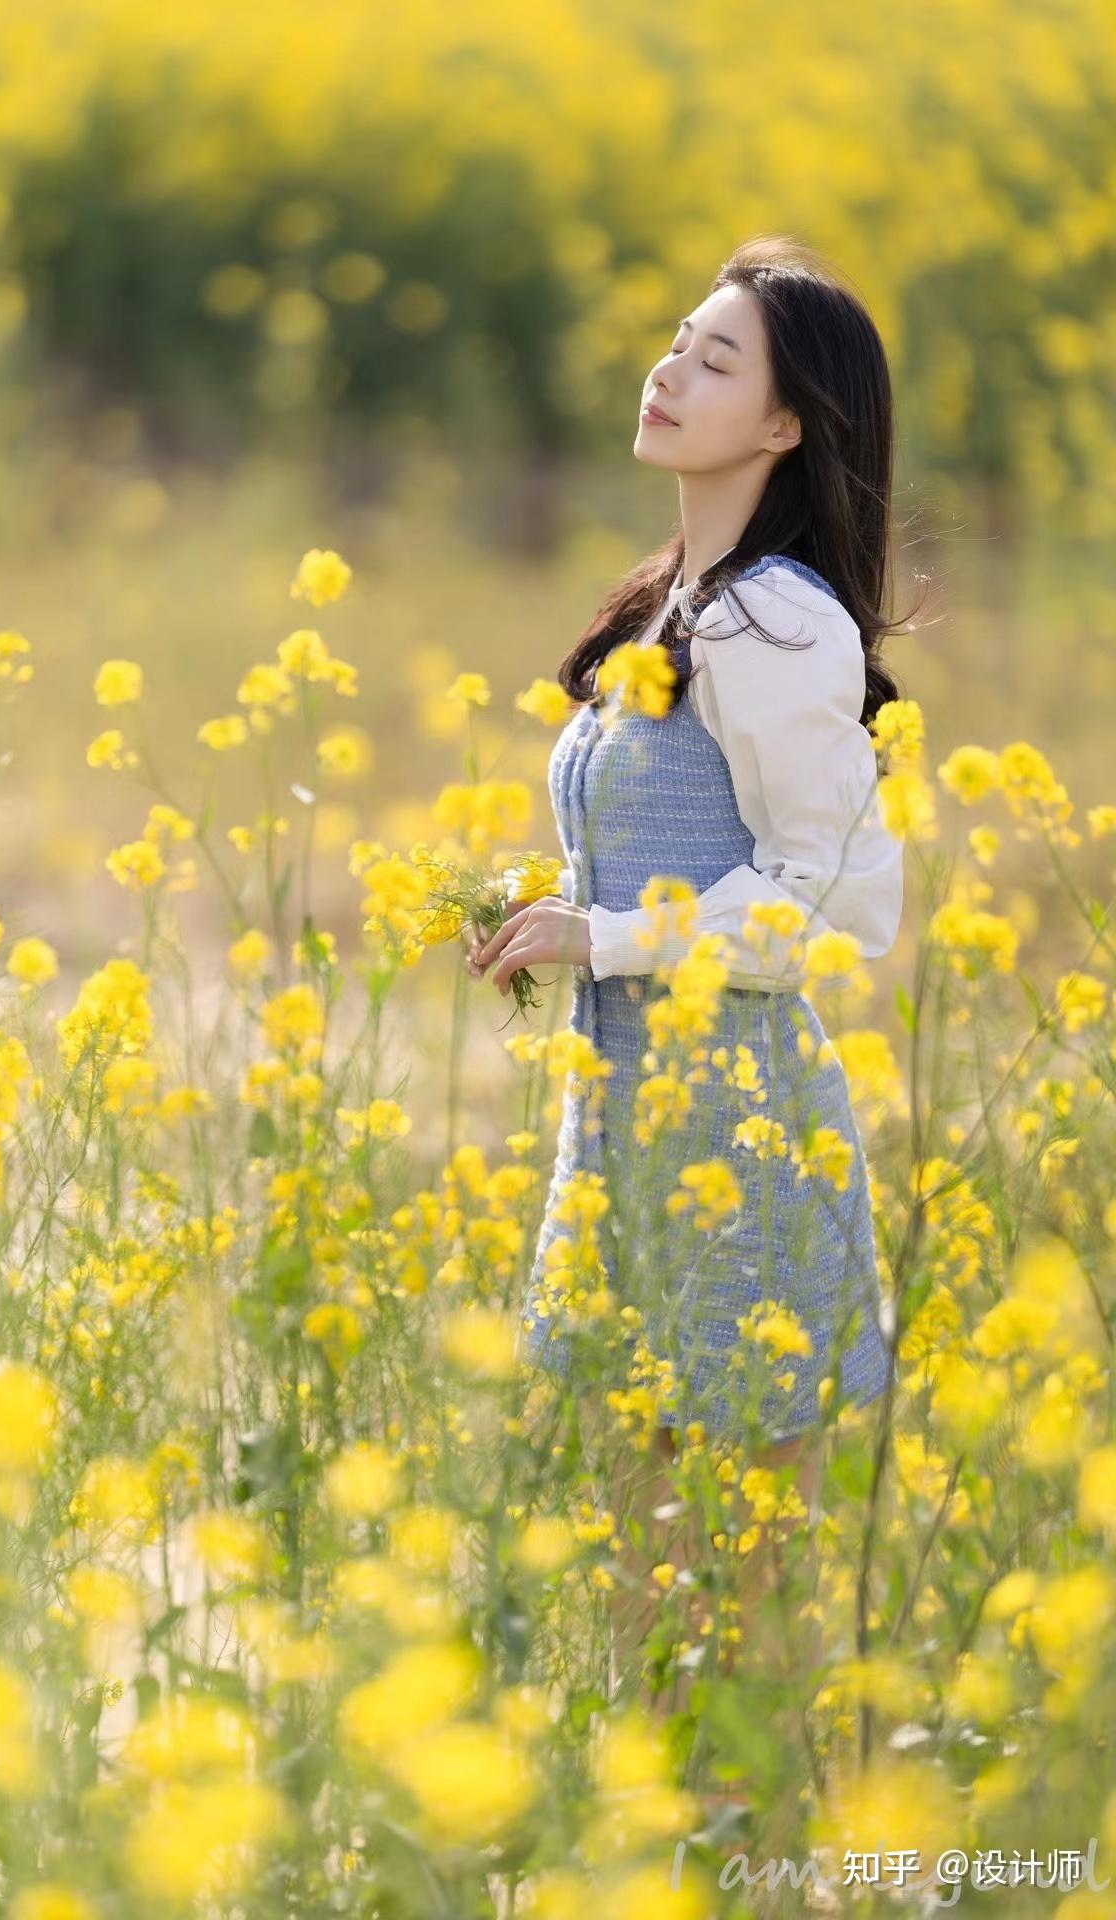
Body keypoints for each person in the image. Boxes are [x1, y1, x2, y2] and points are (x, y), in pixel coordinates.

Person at [467, 236, 913, 1728]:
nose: (671, 369)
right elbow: (670, 855)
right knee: (646, 1619)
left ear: (786, 426)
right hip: (627, 1152)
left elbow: (842, 901)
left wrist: (610, 938)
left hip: (741, 1153)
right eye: (676, 340)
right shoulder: (674, 602)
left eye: (718, 359)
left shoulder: (783, 621)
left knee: (740, 1638)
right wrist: (554, 918)